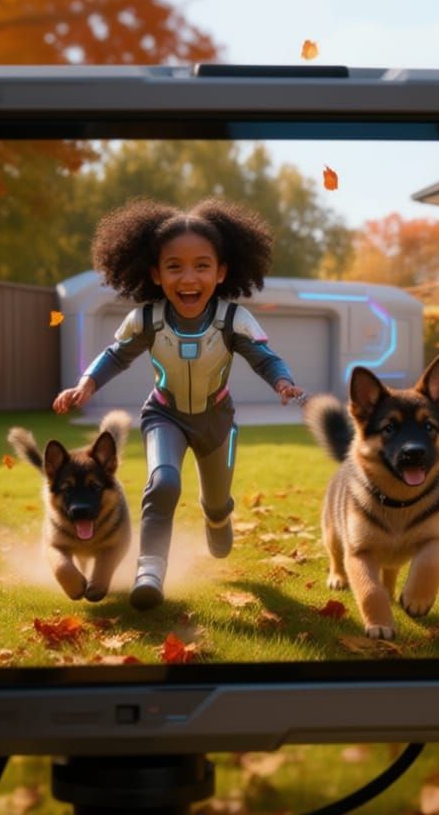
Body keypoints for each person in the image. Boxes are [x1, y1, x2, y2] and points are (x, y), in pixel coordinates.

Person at [53, 198, 304, 610]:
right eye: (175, 266)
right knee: (164, 482)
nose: (189, 277)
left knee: (216, 500)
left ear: (222, 272)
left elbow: (265, 358)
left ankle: (218, 516)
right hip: (164, 415)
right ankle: (149, 571)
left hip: (217, 421)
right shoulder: (148, 320)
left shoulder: (233, 320)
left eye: (202, 265)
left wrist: (283, 382)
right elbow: (114, 355)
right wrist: (85, 386)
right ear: (155, 274)